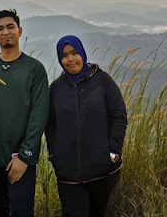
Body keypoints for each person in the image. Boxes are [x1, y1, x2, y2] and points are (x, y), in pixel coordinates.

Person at [0, 9, 49, 217]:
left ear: (20, 31)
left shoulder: (34, 69)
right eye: (0, 28)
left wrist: (25, 156)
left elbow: (39, 115)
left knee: (22, 212)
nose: (5, 32)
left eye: (10, 27)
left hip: (20, 160)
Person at [45, 35, 128, 217]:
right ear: (60, 59)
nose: (70, 59)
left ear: (82, 53)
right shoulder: (56, 89)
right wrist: (54, 154)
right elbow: (50, 124)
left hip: (103, 170)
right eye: (65, 55)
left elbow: (119, 114)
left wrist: (114, 150)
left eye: (74, 53)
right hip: (69, 175)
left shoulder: (102, 80)